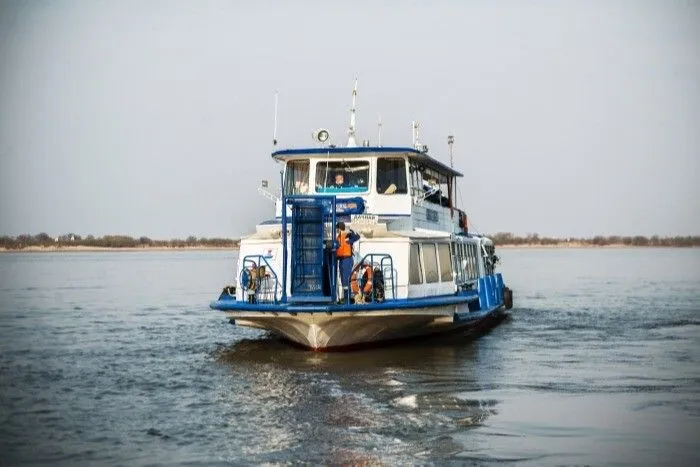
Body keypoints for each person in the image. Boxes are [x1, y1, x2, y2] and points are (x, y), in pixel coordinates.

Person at [335, 221, 360, 303]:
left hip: (347, 260)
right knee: (343, 280)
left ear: (340, 228)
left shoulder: (346, 235)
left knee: (346, 280)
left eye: (337, 228)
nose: (336, 230)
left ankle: (347, 299)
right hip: (341, 260)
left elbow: (357, 237)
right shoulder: (338, 238)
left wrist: (351, 232)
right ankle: (345, 298)